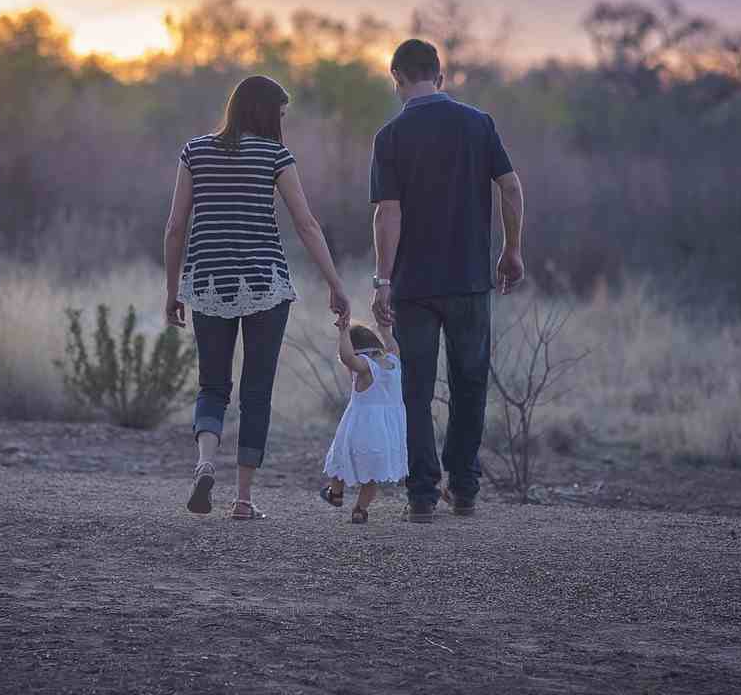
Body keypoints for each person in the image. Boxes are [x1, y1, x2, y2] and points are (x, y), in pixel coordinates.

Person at [163, 75, 350, 521]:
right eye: (281, 115)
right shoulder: (275, 155)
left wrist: (173, 291)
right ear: (266, 113)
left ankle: (206, 462)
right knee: (257, 391)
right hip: (265, 283)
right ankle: (243, 499)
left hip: (207, 282)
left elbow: (174, 227)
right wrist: (335, 283)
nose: (283, 124)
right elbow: (306, 225)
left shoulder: (195, 151)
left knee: (212, 385)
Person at [369, 39, 526, 523]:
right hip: (469, 280)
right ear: (439, 75)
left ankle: (421, 495)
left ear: (396, 77)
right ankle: (464, 488)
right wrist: (512, 249)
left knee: (415, 389)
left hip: (414, 285)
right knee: (469, 383)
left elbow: (387, 213)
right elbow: (511, 187)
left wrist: (382, 280)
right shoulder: (479, 124)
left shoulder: (390, 136)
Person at [320, 321, 407, 525]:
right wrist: (385, 330)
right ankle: (360, 510)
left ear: (359, 353)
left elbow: (348, 358)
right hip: (386, 433)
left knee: (340, 460)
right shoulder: (394, 361)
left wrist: (343, 333)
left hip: (360, 429)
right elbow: (393, 346)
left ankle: (336, 493)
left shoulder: (366, 368)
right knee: (372, 476)